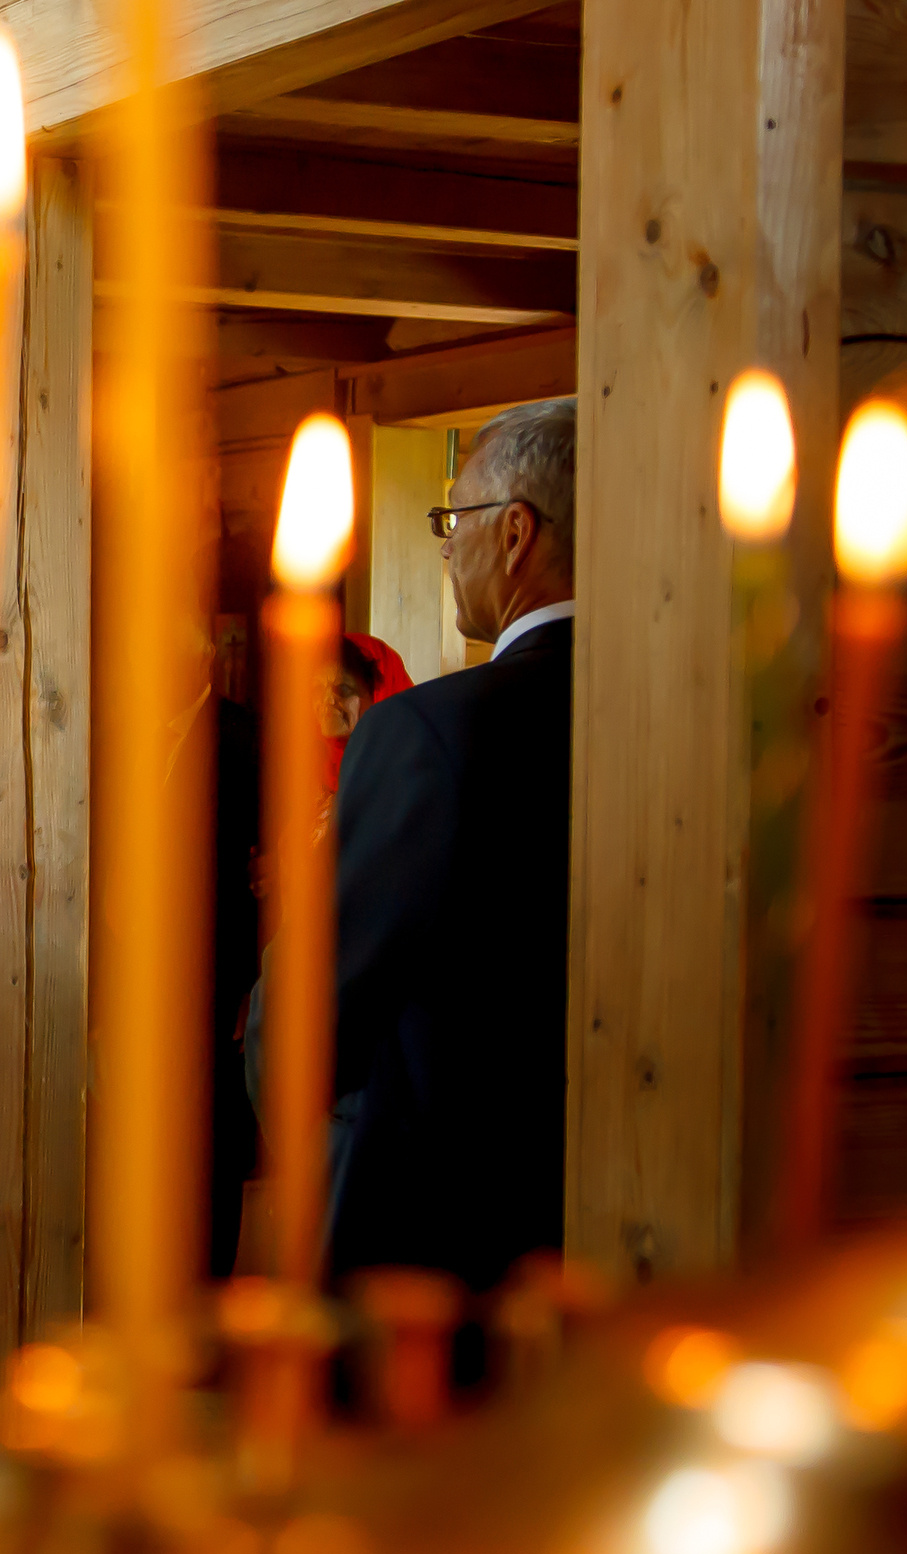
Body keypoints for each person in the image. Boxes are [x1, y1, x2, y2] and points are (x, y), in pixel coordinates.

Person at [329, 398, 577, 1292]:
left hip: (438, 1240)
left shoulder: (427, 731)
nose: (443, 543)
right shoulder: (685, 709)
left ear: (515, 533)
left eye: (455, 517)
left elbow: (324, 1007)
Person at [323, 633, 414, 796]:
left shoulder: (412, 778)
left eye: (343, 690)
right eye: (316, 690)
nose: (328, 700)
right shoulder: (295, 769)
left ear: (379, 694)